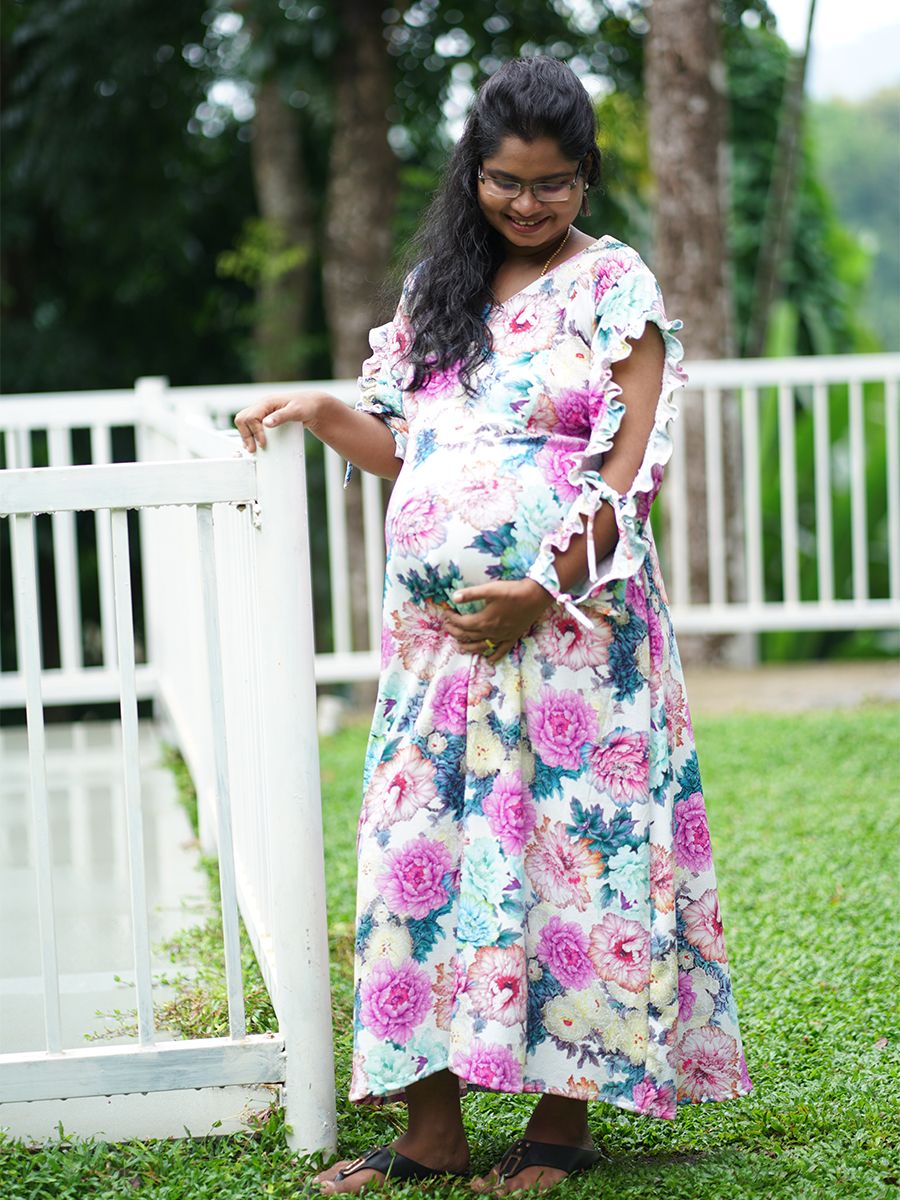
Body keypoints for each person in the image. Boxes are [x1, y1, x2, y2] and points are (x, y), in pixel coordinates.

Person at [235, 55, 751, 1198]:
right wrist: (325, 405)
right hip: (437, 649)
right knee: (414, 854)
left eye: (554, 184)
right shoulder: (440, 291)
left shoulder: (615, 286)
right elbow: (404, 444)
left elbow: (636, 458)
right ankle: (432, 1133)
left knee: (575, 859)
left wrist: (545, 585)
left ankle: (562, 1126)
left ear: (586, 178)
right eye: (508, 180)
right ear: (474, 168)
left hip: (576, 637)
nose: (528, 202)